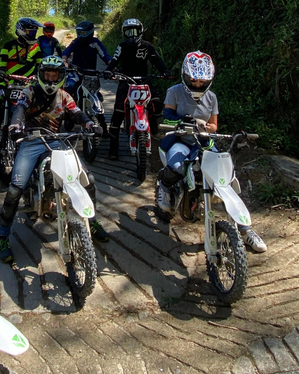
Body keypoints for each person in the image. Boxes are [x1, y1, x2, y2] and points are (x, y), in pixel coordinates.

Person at [0, 56, 110, 263]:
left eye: (54, 76)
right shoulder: (28, 92)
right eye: (47, 75)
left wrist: (90, 124)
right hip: (30, 141)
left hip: (58, 141)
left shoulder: (65, 96)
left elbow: (76, 113)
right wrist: (15, 126)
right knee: (15, 187)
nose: (50, 80)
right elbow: (19, 110)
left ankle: (92, 221)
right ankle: (3, 236)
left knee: (88, 179)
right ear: (40, 75)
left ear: (61, 77)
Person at [156, 51, 267, 253]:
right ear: (186, 76)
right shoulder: (174, 91)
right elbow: (167, 117)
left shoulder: (212, 97)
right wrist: (187, 122)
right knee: (177, 166)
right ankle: (164, 186)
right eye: (194, 80)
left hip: (204, 142)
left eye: (202, 81)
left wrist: (207, 129)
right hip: (180, 140)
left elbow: (214, 125)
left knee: (227, 178)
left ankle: (245, 229)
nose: (198, 84)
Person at [103, 18, 169, 160]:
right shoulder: (122, 47)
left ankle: (153, 128)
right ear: (123, 33)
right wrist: (108, 70)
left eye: (135, 32)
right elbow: (114, 60)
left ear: (141, 32)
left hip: (144, 80)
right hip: (126, 81)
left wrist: (165, 72)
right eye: (128, 32)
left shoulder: (147, 46)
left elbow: (157, 60)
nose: (132, 35)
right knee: (118, 114)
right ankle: (113, 149)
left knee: (156, 103)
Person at [0, 17, 44, 164]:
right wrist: (1, 85)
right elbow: (1, 67)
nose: (34, 34)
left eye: (35, 32)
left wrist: (37, 77)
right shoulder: (8, 46)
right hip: (9, 87)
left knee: (37, 116)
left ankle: (37, 149)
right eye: (31, 31)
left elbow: (40, 66)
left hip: (27, 88)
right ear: (22, 31)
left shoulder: (36, 47)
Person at [61, 20, 111, 135]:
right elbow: (67, 51)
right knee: (69, 87)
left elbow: (104, 55)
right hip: (75, 71)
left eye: (83, 33)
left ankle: (104, 127)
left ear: (90, 32)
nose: (80, 36)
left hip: (91, 74)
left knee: (97, 97)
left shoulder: (95, 43)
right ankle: (67, 113)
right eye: (78, 33)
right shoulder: (76, 42)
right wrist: (64, 60)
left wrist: (111, 65)